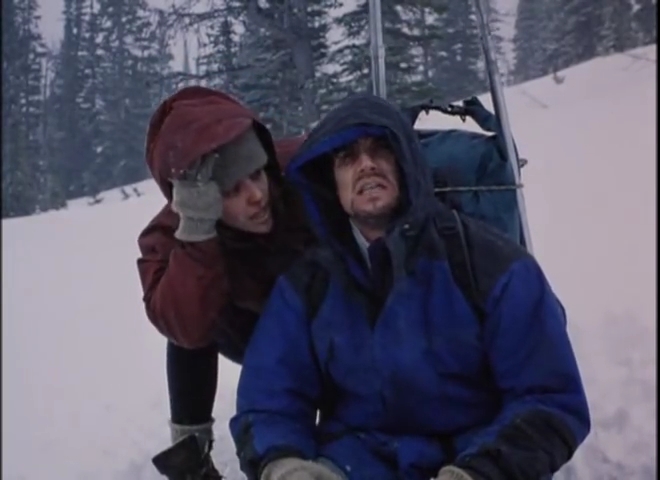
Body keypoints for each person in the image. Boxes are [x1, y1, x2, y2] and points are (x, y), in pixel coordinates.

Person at [229, 93, 591, 480]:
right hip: (355, 465)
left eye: (380, 149)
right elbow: (270, 399)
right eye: (347, 157)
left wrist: (481, 472)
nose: (366, 164)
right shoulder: (307, 286)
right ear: (330, 184)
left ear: (407, 163)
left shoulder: (491, 266)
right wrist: (286, 465)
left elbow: (549, 398)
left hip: (478, 459)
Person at [136, 86, 314, 479]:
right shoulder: (170, 235)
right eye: (232, 190)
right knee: (189, 300)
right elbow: (184, 326)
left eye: (256, 174)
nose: (256, 196)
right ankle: (191, 455)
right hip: (257, 337)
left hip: (328, 326)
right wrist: (198, 232)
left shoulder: (300, 169)